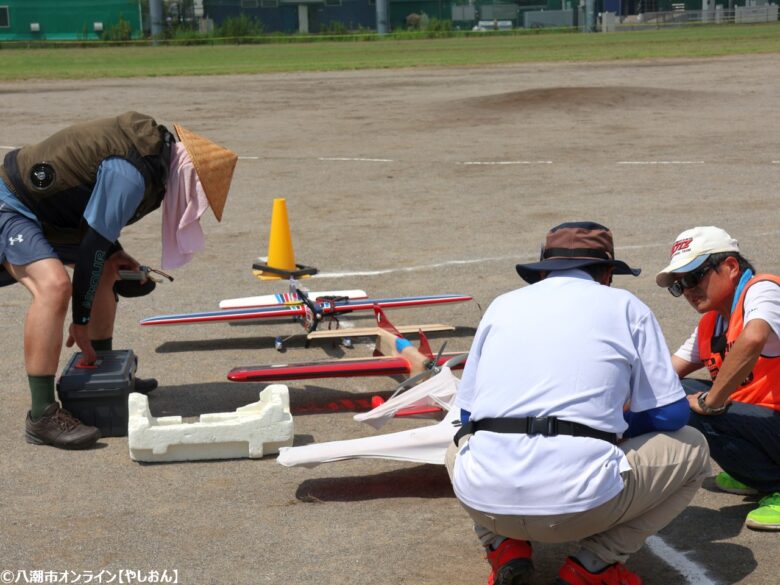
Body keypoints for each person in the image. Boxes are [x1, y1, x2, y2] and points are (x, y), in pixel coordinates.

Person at [446, 221, 710, 585]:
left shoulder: (501, 305)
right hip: (580, 506)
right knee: (694, 448)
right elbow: (671, 413)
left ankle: (503, 548)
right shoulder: (626, 306)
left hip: (485, 502)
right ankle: (594, 565)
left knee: (459, 442)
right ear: (606, 273)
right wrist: (615, 429)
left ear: (542, 270)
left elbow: (467, 413)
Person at [0, 112, 238, 450]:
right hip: (10, 206)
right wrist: (80, 322)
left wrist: (117, 252)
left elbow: (95, 230)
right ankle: (41, 415)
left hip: (44, 212)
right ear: (188, 174)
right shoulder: (133, 173)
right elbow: (92, 247)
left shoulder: (154, 160)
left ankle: (101, 379)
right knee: (54, 286)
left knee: (109, 264)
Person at [656, 226, 780, 531]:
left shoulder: (764, 290)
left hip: (772, 423)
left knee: (687, 404)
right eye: (679, 285)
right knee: (670, 393)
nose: (687, 290)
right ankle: (759, 473)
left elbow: (752, 340)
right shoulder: (711, 323)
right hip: (765, 426)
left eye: (694, 276)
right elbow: (661, 377)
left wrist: (710, 402)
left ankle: (771, 479)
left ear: (731, 267)